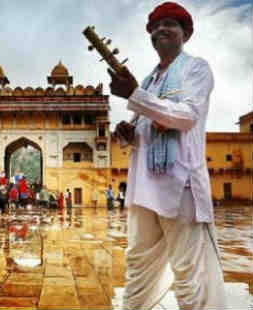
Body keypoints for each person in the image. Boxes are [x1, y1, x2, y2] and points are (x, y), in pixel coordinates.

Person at [108, 2, 226, 309]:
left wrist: (134, 95)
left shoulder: (195, 69)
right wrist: (129, 134)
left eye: (170, 24)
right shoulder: (150, 81)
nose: (162, 29)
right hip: (144, 189)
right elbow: (149, 130)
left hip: (180, 187)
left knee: (188, 273)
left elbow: (186, 117)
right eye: (156, 25)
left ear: (185, 33)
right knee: (137, 267)